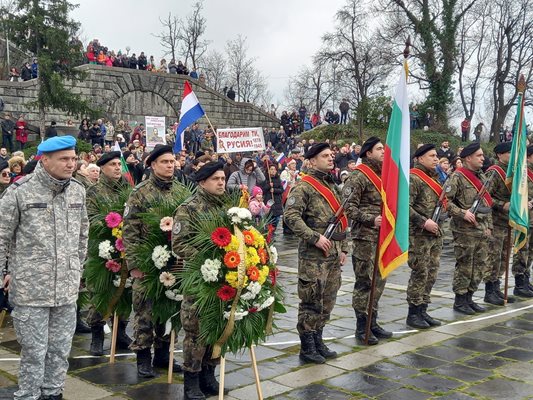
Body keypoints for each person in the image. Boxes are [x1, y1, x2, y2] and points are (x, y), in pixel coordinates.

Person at [0, 136, 89, 400]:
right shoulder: (20, 191)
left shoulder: (77, 190)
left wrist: (77, 268)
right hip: (31, 289)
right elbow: (1, 237)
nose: (71, 164)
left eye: (73, 158)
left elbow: (83, 234)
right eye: (64, 159)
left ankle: (53, 393)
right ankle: (28, 395)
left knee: (61, 349)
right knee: (34, 351)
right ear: (45, 159)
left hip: (66, 288)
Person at [284, 143, 348, 364]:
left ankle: (318, 339)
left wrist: (344, 248)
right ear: (311, 161)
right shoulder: (304, 187)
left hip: (333, 252)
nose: (331, 159)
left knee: (328, 300)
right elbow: (291, 217)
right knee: (311, 300)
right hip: (313, 256)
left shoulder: (332, 186)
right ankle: (307, 346)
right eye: (325, 156)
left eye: (332, 155)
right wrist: (314, 237)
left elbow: (341, 219)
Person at [122, 144, 183, 378]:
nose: (170, 165)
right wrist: (135, 265)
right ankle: (143, 357)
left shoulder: (180, 191)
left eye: (172, 161)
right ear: (153, 165)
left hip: (173, 264)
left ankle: (163, 354)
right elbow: (130, 231)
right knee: (144, 312)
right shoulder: (140, 192)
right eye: (164, 162)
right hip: (147, 264)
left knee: (168, 310)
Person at [172, 161, 227, 399]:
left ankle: (208, 375)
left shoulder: (226, 208)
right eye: (216, 179)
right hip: (197, 279)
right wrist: (208, 259)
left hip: (222, 280)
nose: (222, 182)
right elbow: (179, 243)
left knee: (217, 327)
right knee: (195, 331)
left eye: (223, 178)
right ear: (203, 182)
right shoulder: (189, 208)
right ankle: (191, 381)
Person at [343, 137, 392, 345]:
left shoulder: (386, 175)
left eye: (384, 148)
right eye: (379, 149)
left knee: (379, 281)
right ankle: (361, 326)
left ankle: (373, 321)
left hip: (382, 236)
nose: (383, 151)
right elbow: (348, 207)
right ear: (368, 153)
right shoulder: (359, 176)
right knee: (365, 282)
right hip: (365, 237)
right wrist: (371, 219)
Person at [85, 152, 133, 356]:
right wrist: (111, 226)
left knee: (125, 291)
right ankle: (97, 334)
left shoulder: (129, 190)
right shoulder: (93, 192)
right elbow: (89, 219)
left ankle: (120, 331)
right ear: (102, 168)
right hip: (102, 249)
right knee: (101, 292)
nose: (117, 168)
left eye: (118, 165)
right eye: (112, 164)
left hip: (125, 248)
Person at [445, 143, 492, 315]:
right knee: (465, 266)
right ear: (468, 158)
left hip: (482, 230)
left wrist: (490, 227)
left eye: (482, 155)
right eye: (479, 155)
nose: (482, 158)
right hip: (464, 230)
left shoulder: (482, 177)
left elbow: (488, 204)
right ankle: (460, 301)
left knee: (479, 266)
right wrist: (462, 213)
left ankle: (470, 298)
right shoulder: (457, 177)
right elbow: (444, 202)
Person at [406, 144, 444, 329]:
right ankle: (413, 313)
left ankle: (423, 309)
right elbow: (405, 206)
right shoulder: (414, 178)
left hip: (434, 234)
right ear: (420, 159)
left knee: (431, 272)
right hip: (419, 234)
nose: (436, 159)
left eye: (436, 156)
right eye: (431, 156)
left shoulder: (435, 178)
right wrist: (423, 221)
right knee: (420, 273)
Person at [484, 142, 518, 303]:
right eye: (509, 153)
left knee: (504, 256)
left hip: (508, 221)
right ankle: (489, 290)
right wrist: (501, 204)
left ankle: (497, 288)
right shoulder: (494, 172)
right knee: (494, 256)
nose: (512, 156)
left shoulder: (512, 171)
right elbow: (485, 197)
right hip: (496, 221)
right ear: (500, 155)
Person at [512, 146, 533, 296]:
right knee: (521, 251)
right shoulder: (523, 173)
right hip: (524, 218)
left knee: (530, 252)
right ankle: (519, 284)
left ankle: (526, 279)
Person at [259, 163, 284, 230]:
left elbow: (282, 190)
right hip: (268, 203)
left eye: (274, 169)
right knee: (269, 223)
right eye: (271, 169)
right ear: (268, 171)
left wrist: (274, 190)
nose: (273, 171)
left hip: (277, 203)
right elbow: (262, 191)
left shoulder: (278, 180)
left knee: (276, 221)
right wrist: (269, 186)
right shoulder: (264, 180)